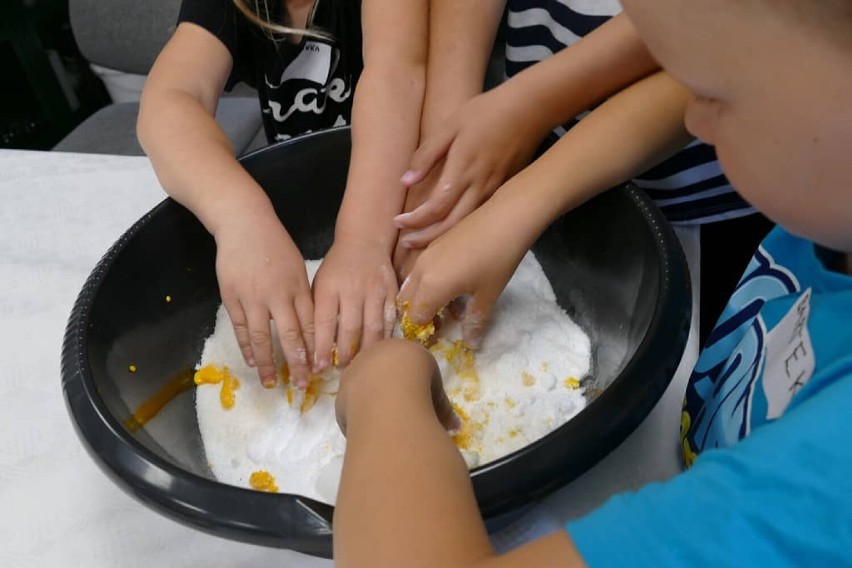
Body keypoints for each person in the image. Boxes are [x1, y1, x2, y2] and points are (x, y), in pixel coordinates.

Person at [333, 0, 852, 564]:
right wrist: (520, 198)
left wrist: (385, 391)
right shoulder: (826, 224)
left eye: (716, 94)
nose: (692, 121)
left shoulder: (830, 472)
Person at [393, 7, 774, 344]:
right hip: (522, 154)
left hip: (698, 207)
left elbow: (730, 33)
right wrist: (446, 159)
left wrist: (531, 109)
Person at [137, 0, 428, 388]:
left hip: (393, 199)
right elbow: (170, 99)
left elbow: (396, 75)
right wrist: (241, 217)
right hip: (301, 216)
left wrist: (362, 240)